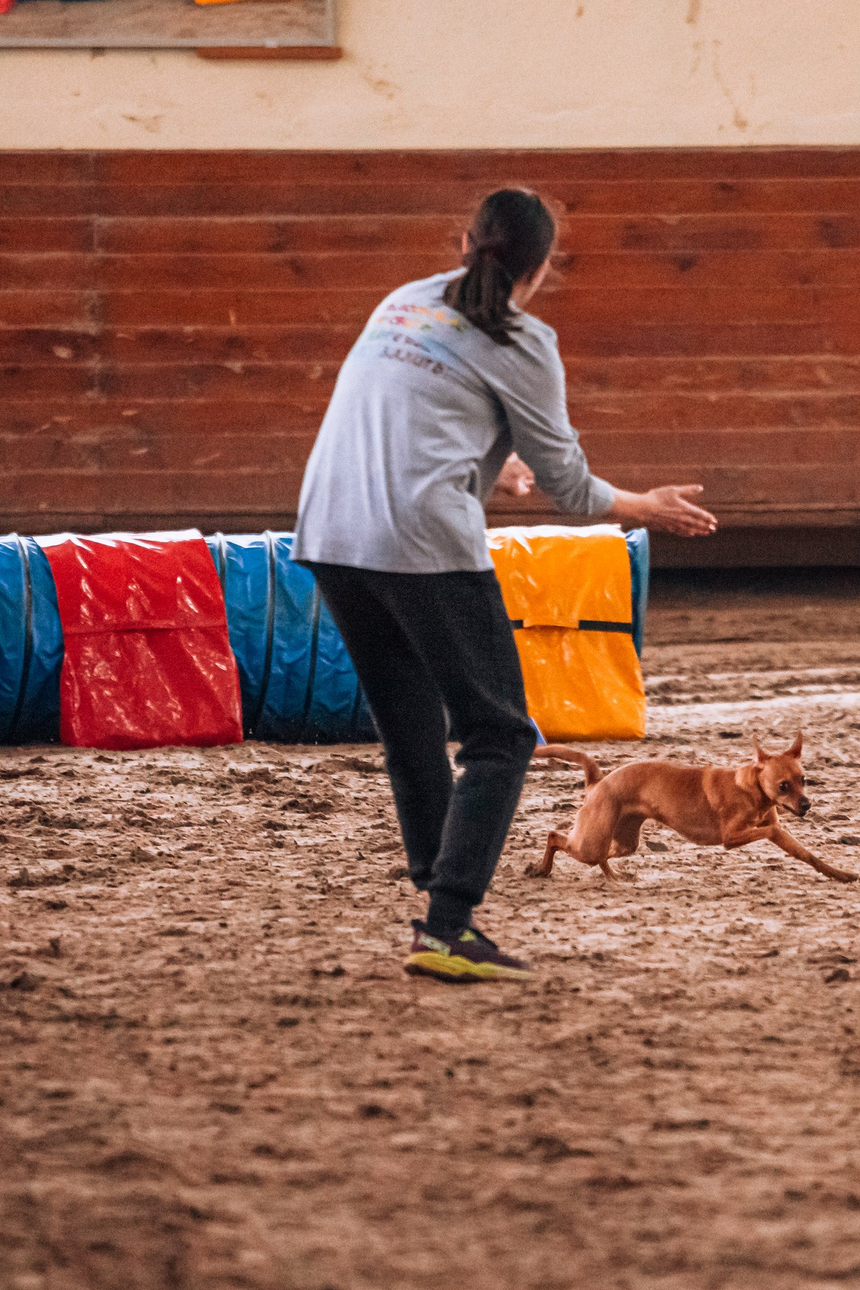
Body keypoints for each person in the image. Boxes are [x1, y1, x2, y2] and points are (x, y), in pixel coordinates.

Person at [295, 187, 717, 984]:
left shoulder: (403, 303)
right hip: (419, 542)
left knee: (412, 718)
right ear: (543, 269)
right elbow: (574, 487)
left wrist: (492, 457)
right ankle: (449, 924)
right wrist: (646, 507)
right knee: (502, 734)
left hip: (326, 530)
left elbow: (407, 415)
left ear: (463, 243)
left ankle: (437, 900)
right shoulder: (523, 340)